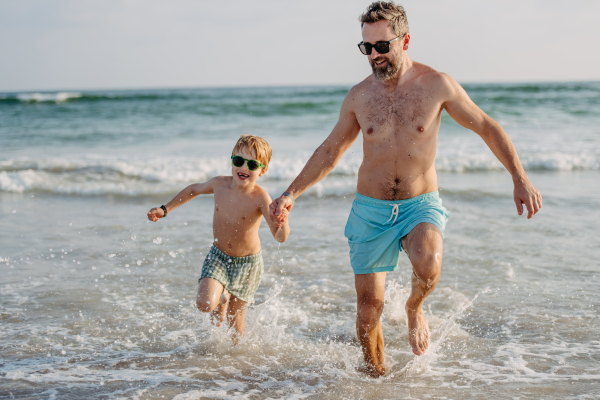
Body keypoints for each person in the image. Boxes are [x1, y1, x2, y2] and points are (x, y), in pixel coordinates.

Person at [271, 1, 542, 376]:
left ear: (405, 40)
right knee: (368, 312)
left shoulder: (437, 86)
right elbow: (330, 151)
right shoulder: (358, 97)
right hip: (371, 208)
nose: (375, 56)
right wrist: (290, 194)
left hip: (420, 204)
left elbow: (486, 126)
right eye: (367, 48)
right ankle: (376, 380)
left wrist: (519, 177)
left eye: (383, 46)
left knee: (428, 262)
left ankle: (415, 308)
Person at [148, 135, 290, 343]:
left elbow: (280, 237)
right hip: (218, 256)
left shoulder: (261, 198)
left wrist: (282, 222)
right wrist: (164, 209)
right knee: (205, 304)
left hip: (247, 265)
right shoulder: (219, 185)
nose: (244, 167)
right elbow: (193, 190)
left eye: (252, 164)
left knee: (235, 324)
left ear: (262, 170)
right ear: (232, 160)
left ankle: (233, 366)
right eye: (238, 161)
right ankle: (222, 294)